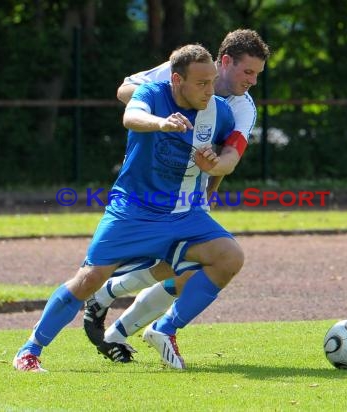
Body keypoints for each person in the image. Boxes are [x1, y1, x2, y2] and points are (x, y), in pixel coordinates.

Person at [13, 43, 245, 372]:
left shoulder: (220, 111)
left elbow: (224, 158)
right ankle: (30, 350)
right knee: (88, 279)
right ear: (177, 80)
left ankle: (165, 329)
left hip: (185, 212)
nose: (210, 90)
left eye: (211, 81)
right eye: (202, 83)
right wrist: (161, 123)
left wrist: (214, 164)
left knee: (230, 256)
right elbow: (131, 117)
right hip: (133, 209)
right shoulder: (152, 92)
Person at [83, 29, 270, 362]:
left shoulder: (243, 107)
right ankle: (108, 303)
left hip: (192, 192)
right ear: (224, 62)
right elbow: (124, 90)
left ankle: (115, 319)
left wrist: (211, 177)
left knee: (188, 267)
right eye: (248, 72)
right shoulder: (185, 71)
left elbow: (230, 159)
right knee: (180, 265)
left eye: (257, 74)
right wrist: (165, 112)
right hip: (148, 183)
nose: (253, 81)